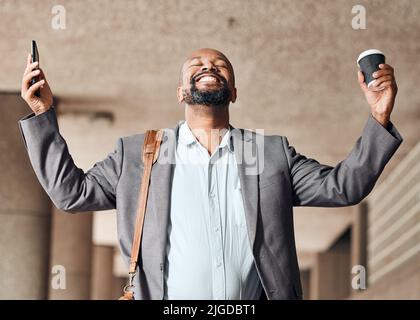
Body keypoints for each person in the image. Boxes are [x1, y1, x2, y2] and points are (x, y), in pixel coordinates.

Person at [19, 48, 402, 300]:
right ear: (182, 92)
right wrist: (42, 117)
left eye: (220, 66)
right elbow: (70, 193)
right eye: (196, 66)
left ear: (233, 91)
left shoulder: (268, 153)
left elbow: (342, 187)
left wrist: (379, 117)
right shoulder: (140, 153)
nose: (208, 67)